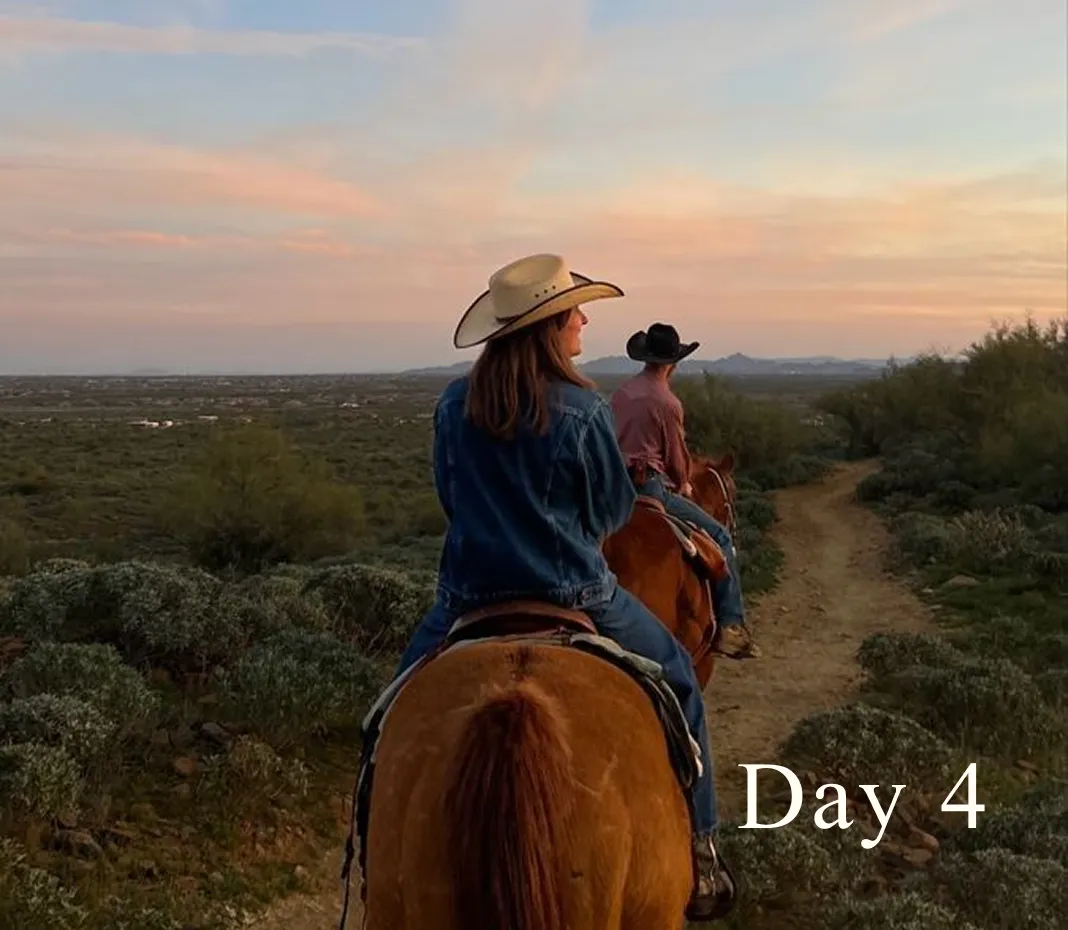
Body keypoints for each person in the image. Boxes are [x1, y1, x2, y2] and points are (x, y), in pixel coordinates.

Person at [396, 254, 736, 922]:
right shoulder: (581, 410)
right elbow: (612, 512)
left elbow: (450, 497)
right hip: (578, 595)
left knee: (386, 719)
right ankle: (703, 852)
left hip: (467, 599)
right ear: (550, 326)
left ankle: (365, 842)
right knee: (680, 680)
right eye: (575, 310)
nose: (583, 319)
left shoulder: (452, 403)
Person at [610, 322, 759, 660]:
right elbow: (677, 459)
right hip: (648, 487)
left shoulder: (621, 393)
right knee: (720, 537)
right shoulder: (667, 402)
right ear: (673, 363)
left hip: (612, 489)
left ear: (645, 359)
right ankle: (731, 626)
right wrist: (683, 482)